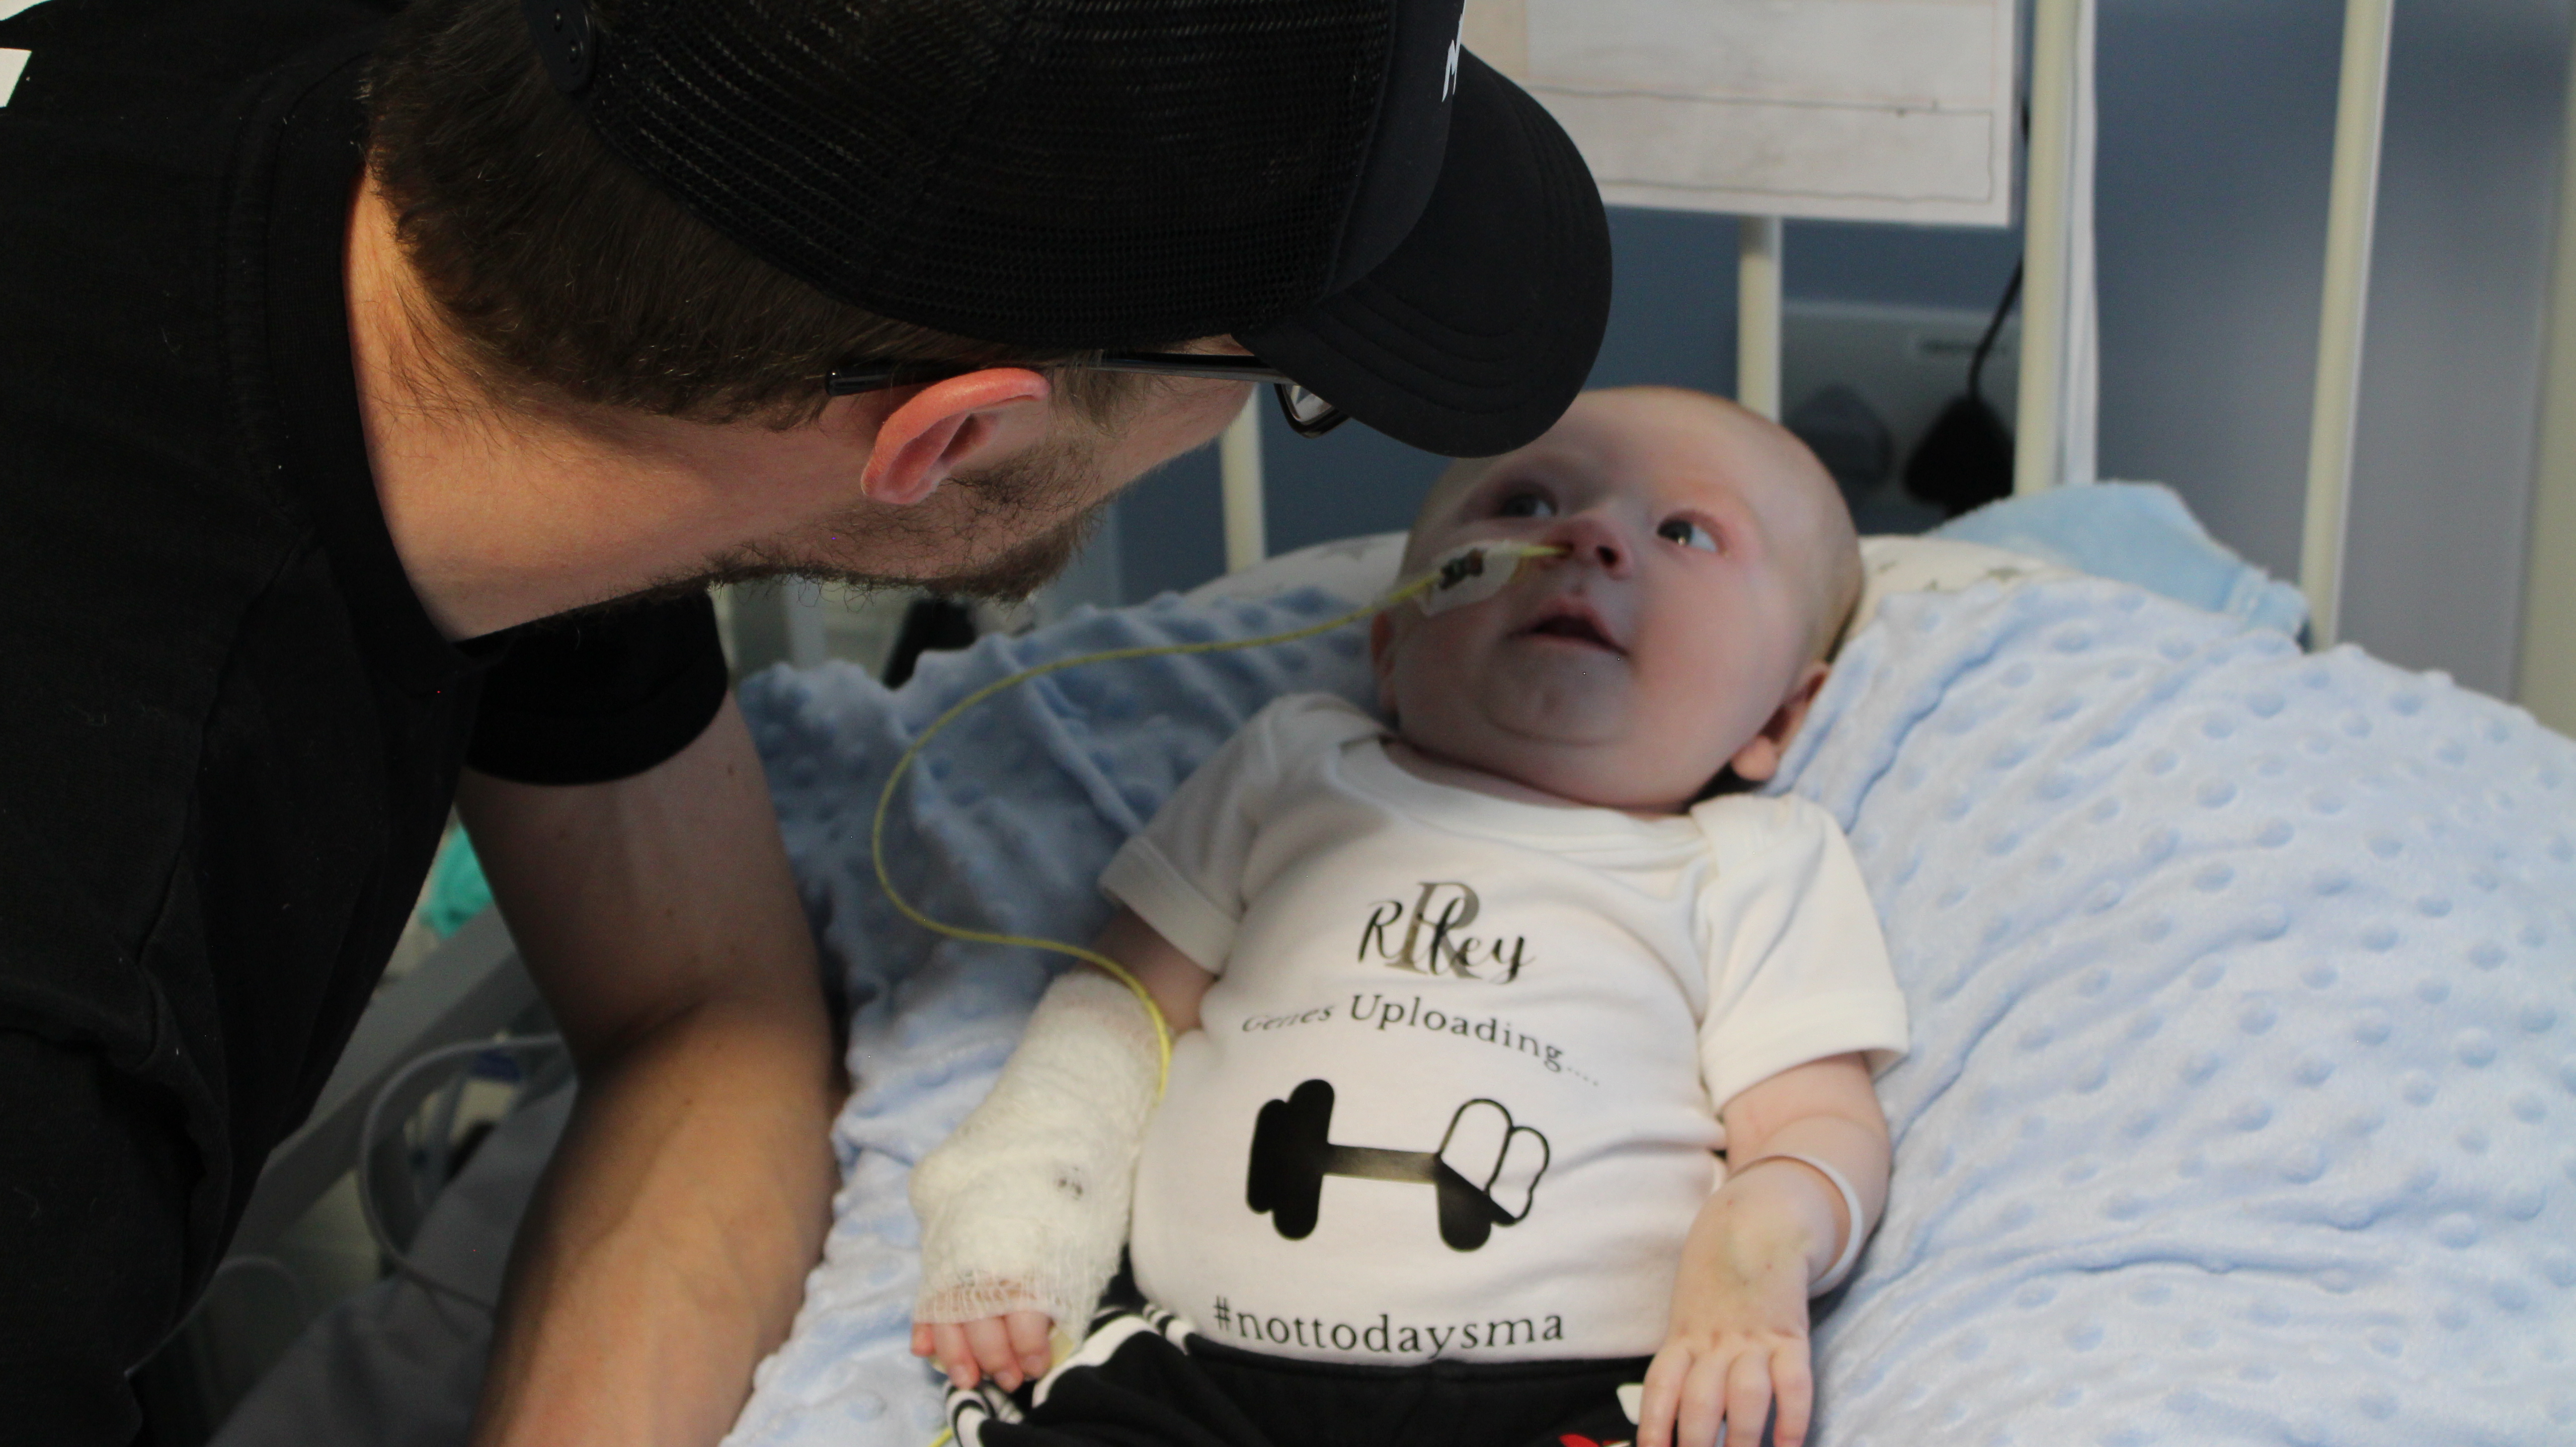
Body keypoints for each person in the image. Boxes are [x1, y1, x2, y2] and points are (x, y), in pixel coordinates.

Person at [0, 0, 1611, 1437]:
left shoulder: (517, 239)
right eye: (1280, 382)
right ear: (945, 441)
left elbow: (706, 1012)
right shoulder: (73, 1027)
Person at [908, 387, 1911, 1447]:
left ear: (1782, 717)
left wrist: (1754, 1248)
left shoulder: (1747, 863)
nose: (1590, 538)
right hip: (1185, 1371)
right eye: (1524, 501)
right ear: (1388, 646)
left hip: (1575, 1394)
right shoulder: (1297, 766)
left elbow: (1814, 1121)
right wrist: (1021, 1208)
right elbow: (1119, 1008)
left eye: (1684, 532)